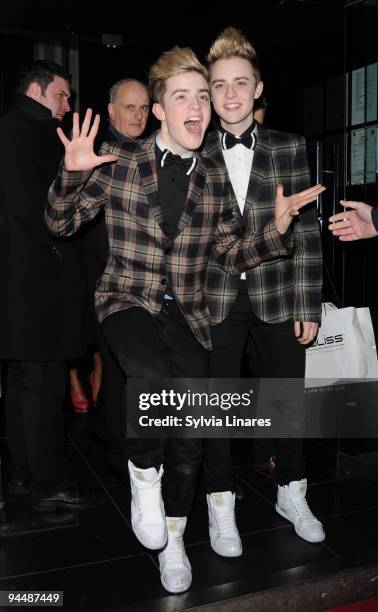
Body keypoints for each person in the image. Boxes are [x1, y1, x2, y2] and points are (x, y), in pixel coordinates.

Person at [45, 46, 323, 593]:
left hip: (191, 314)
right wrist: (69, 175)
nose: (198, 107)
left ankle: (173, 538)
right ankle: (141, 477)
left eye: (203, 96)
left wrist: (279, 228)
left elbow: (229, 253)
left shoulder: (214, 178)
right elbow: (60, 223)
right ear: (158, 110)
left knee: (193, 437)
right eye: (184, 97)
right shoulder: (118, 159)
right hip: (127, 299)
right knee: (149, 378)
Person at [202, 27, 325, 547]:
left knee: (285, 400)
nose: (230, 95)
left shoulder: (289, 146)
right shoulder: (196, 150)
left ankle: (291, 490)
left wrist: (308, 302)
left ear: (257, 89)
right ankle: (220, 503)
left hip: (278, 294)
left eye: (240, 83)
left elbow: (307, 229)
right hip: (216, 298)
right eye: (220, 85)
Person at [0, 60, 102, 511]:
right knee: (44, 385)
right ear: (38, 89)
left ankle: (22, 474)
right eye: (62, 95)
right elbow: (43, 210)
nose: (67, 105)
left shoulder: (7, 126)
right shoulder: (35, 132)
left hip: (17, 284)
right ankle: (51, 482)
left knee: (25, 381)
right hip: (41, 280)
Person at [82, 79, 150, 484]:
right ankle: (122, 456)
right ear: (111, 112)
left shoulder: (150, 151)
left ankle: (138, 453)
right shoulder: (100, 157)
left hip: (149, 288)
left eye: (144, 107)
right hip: (112, 285)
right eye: (130, 107)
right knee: (117, 372)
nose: (138, 115)